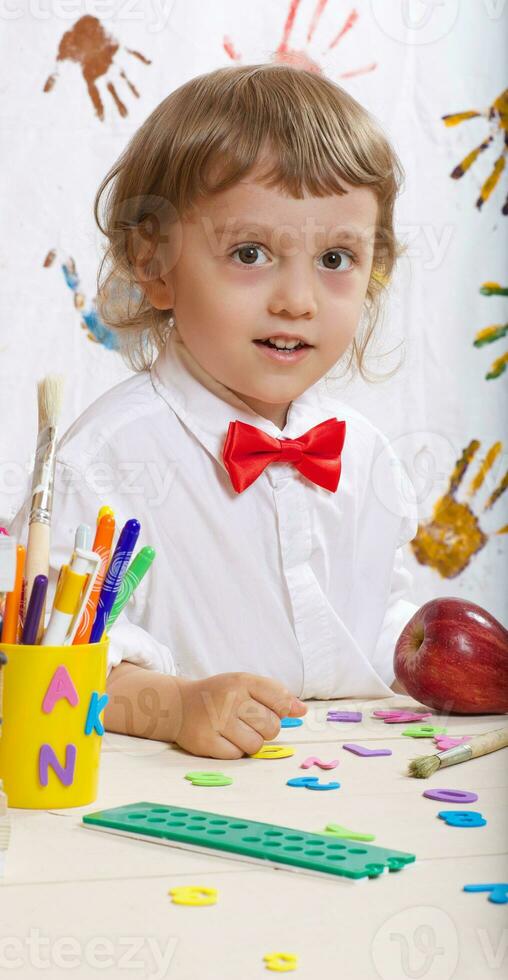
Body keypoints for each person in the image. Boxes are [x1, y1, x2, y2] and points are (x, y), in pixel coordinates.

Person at [10, 63, 418, 759]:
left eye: (336, 257)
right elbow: (32, 651)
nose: (298, 299)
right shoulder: (103, 462)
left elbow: (380, 625)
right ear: (155, 262)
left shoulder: (366, 455)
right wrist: (174, 708)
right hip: (154, 818)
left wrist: (437, 657)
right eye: (251, 253)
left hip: (345, 791)